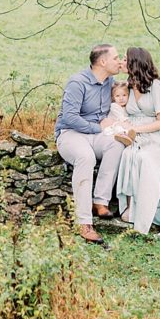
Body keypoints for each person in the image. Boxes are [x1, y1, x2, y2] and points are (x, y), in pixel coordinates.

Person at [55, 43, 126, 244]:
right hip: (71, 134)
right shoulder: (78, 83)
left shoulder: (109, 81)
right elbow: (69, 117)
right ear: (102, 62)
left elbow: (130, 84)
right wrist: (99, 128)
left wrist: (127, 67)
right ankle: (84, 223)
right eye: (116, 58)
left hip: (96, 133)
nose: (119, 61)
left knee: (116, 145)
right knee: (86, 157)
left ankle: (100, 201)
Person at [116, 47, 160, 239]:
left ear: (135, 63)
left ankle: (144, 218)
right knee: (128, 155)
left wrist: (138, 131)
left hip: (155, 137)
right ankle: (131, 209)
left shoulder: (156, 86)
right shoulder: (126, 86)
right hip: (133, 135)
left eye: (125, 59)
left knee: (145, 160)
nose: (122, 61)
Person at [102, 81, 138, 146]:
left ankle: (128, 137)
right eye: (117, 96)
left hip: (123, 125)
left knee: (124, 128)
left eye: (124, 95)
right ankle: (123, 136)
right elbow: (121, 118)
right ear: (113, 97)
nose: (121, 98)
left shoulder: (127, 107)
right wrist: (128, 122)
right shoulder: (114, 106)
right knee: (118, 128)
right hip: (114, 125)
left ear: (128, 96)